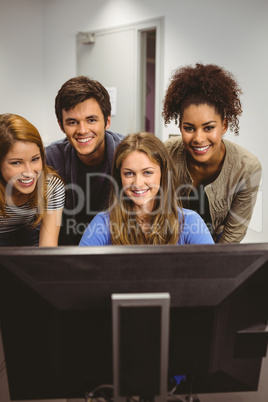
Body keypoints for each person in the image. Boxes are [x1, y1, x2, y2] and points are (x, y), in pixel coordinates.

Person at [162, 63, 262, 243]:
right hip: (169, 248)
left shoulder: (247, 168)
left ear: (224, 125)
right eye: (189, 128)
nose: (199, 138)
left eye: (208, 127)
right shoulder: (166, 153)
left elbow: (233, 235)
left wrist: (208, 266)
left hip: (216, 252)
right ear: (180, 127)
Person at [79, 132, 214, 246]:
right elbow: (77, 273)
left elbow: (214, 271)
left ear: (163, 174)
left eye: (147, 172)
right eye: (129, 173)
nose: (138, 183)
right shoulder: (102, 224)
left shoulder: (189, 222)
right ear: (119, 177)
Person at [46, 76, 124, 245]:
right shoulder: (51, 159)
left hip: (117, 257)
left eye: (91, 120)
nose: (82, 130)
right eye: (72, 122)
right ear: (61, 125)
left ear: (107, 121)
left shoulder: (128, 154)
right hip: (66, 258)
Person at [0, 113, 65, 247]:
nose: (29, 173)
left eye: (35, 159)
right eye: (16, 163)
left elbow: (48, 248)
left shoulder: (51, 186)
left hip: (32, 249)